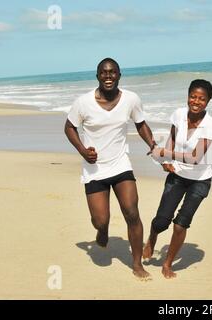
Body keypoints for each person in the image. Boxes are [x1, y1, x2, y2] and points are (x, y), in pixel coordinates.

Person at [64, 58, 157, 279]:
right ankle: (102, 231)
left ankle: (137, 264)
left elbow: (140, 123)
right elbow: (69, 127)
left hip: (120, 164)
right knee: (100, 220)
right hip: (94, 169)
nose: (108, 76)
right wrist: (83, 151)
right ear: (97, 75)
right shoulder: (83, 102)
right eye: (104, 73)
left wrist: (153, 145)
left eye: (112, 72)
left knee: (132, 212)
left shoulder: (131, 99)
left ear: (119, 75)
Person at [144, 79, 212, 279]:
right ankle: (152, 238)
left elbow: (195, 158)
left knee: (181, 223)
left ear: (208, 101)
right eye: (193, 96)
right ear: (187, 96)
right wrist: (164, 160)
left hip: (200, 179)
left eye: (202, 98)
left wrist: (165, 152)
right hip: (177, 174)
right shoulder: (178, 115)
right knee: (161, 221)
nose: (196, 101)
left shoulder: (210, 125)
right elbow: (173, 139)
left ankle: (167, 263)